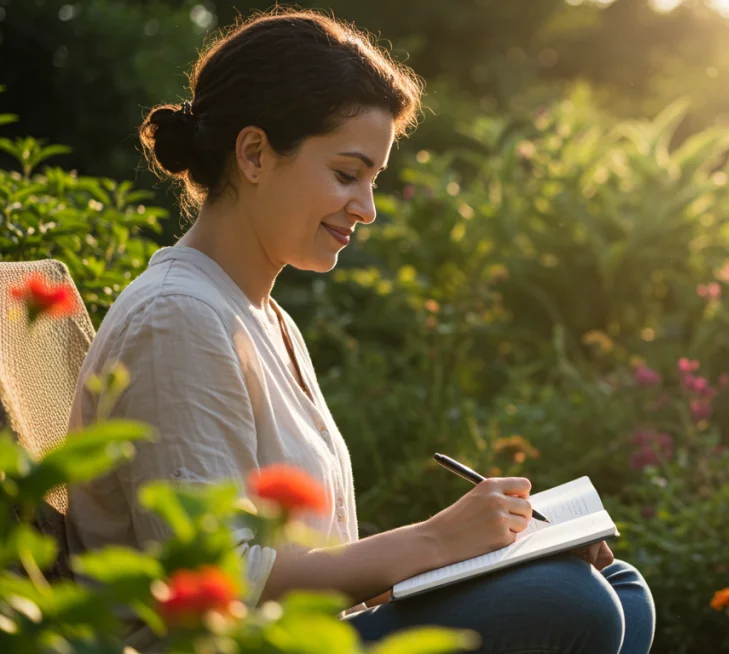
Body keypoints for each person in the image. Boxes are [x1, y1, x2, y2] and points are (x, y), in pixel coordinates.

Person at [64, 9, 654, 653]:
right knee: (572, 603)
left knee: (617, 587)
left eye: (373, 180)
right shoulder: (176, 318)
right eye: (347, 174)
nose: (366, 208)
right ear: (255, 154)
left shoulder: (266, 318)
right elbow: (212, 581)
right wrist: (435, 541)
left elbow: (317, 558)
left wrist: (490, 549)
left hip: (311, 629)